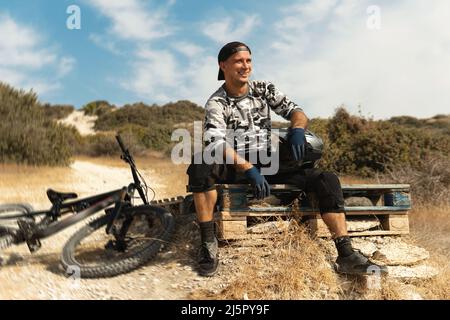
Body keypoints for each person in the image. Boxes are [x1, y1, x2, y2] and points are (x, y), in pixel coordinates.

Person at [186, 41, 388, 277]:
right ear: (223, 65)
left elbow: (297, 112)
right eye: (239, 61)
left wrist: (298, 130)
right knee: (200, 164)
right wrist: (248, 168)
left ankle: (346, 254)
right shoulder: (216, 103)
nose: (245, 66)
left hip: (269, 160)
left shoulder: (264, 89)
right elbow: (217, 142)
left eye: (248, 60)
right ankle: (208, 245)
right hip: (237, 163)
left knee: (326, 178)